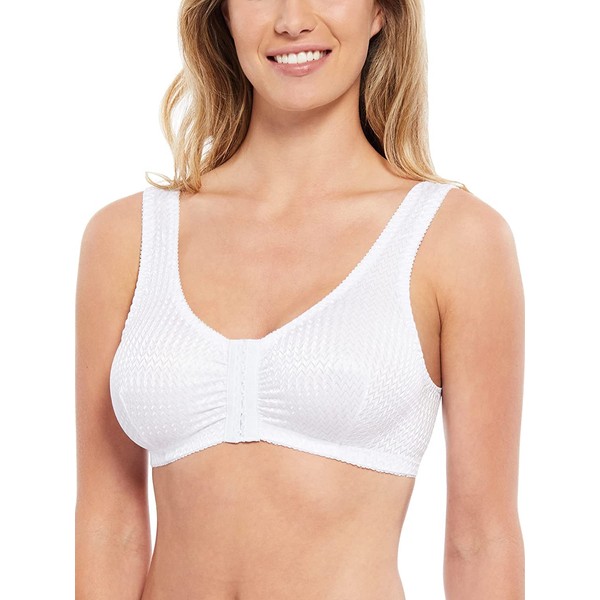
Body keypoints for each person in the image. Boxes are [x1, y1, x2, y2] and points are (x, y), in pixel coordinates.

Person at [75, 0, 525, 598]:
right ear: (223, 14)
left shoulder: (455, 239)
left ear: (381, 12)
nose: (292, 20)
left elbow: (481, 539)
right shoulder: (127, 238)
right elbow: (109, 527)